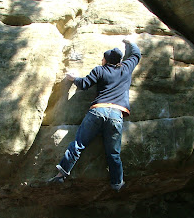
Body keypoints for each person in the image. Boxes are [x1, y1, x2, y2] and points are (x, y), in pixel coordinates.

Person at [49, 38, 141, 191]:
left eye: (103, 58)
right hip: (116, 114)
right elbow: (136, 54)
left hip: (98, 110)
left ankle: (61, 175)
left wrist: (73, 78)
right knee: (113, 152)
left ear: (106, 60)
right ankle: (117, 184)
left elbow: (84, 84)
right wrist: (129, 43)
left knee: (79, 144)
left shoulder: (100, 70)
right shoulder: (126, 68)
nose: (101, 60)